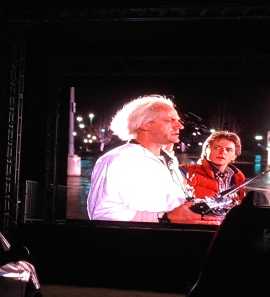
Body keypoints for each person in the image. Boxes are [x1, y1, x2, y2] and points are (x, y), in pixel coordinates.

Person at [86, 96, 220, 224]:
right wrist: (165, 218)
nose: (180, 126)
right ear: (145, 124)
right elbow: (102, 213)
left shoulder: (168, 159)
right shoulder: (117, 160)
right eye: (170, 121)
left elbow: (171, 205)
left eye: (178, 120)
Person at [182, 131, 247, 205]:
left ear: (234, 156)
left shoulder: (238, 177)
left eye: (229, 150)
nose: (223, 152)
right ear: (206, 150)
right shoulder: (187, 171)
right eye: (217, 147)